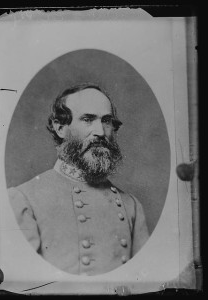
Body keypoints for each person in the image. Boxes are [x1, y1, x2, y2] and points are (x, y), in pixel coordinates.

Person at [8, 83, 149, 276]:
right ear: (60, 129)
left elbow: (145, 281)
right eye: (88, 120)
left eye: (106, 121)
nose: (100, 131)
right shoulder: (24, 199)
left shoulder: (131, 206)